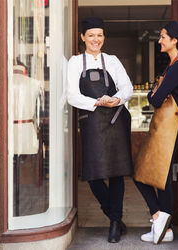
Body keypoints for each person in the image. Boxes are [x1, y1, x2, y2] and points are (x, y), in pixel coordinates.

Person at [66, 17, 133, 243]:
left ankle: (115, 222)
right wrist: (96, 102)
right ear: (83, 37)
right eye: (92, 35)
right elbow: (72, 95)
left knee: (116, 173)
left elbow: (127, 87)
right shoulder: (75, 63)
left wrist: (115, 98)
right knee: (93, 175)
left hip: (115, 120)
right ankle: (112, 214)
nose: (96, 39)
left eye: (100, 35)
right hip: (92, 122)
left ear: (104, 38)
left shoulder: (112, 60)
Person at [134, 21, 178, 244]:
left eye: (164, 36)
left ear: (174, 40)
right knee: (151, 176)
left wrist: (154, 92)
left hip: (171, 130)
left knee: (156, 178)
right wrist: (155, 92)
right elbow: (156, 96)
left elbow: (155, 99)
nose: (160, 40)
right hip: (167, 129)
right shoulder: (174, 65)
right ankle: (161, 223)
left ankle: (163, 228)